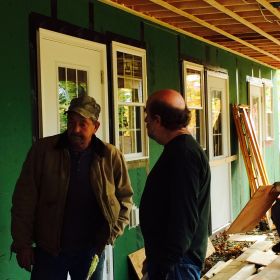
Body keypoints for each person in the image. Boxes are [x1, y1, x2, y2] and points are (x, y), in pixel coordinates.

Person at [11, 95, 133, 280]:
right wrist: (23, 244)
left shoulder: (110, 156)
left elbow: (125, 199)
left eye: (82, 124)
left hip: (91, 250)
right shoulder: (43, 151)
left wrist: (111, 234)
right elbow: (24, 200)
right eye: (71, 122)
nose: (75, 129)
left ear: (95, 126)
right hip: (49, 250)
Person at [139, 89, 211, 280]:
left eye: (147, 117)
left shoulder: (183, 155)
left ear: (158, 119)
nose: (145, 122)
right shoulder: (180, 150)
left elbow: (184, 218)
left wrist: (163, 266)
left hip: (177, 266)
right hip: (173, 262)